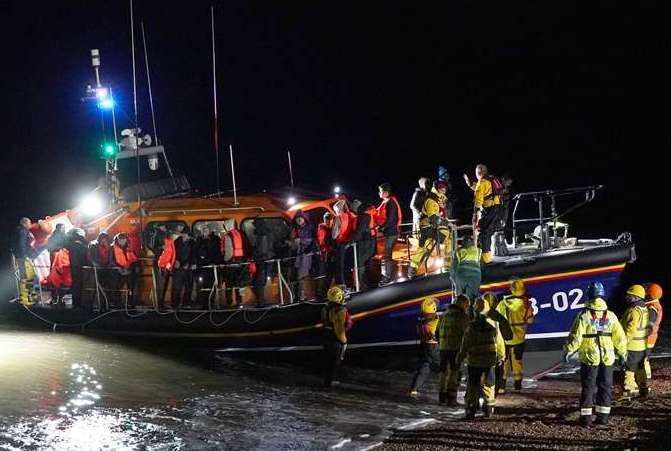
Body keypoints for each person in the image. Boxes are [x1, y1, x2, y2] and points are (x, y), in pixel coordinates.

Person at [563, 281, 627, 427]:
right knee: (606, 387)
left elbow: (576, 336)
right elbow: (620, 337)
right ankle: (603, 417)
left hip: (589, 358)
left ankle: (585, 419)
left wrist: (569, 350)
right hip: (607, 358)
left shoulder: (583, 316)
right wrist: (623, 353)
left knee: (588, 387)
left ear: (589, 295)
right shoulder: (611, 316)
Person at [458, 295, 506, 419]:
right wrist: (501, 356)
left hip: (474, 361)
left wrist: (460, 356)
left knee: (472, 385)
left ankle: (470, 410)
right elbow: (499, 342)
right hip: (489, 361)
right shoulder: (494, 324)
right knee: (489, 385)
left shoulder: (471, 326)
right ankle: (489, 409)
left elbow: (465, 343)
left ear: (475, 310)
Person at [495, 279, 534, 392]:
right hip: (519, 337)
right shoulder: (526, 303)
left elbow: (497, 317)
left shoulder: (503, 303)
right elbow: (530, 320)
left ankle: (502, 386)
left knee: (504, 361)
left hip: (505, 337)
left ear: (511, 290)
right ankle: (517, 385)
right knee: (517, 361)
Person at [408, 180, 450, 278]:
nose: (444, 190)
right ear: (437, 189)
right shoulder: (431, 200)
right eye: (442, 188)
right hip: (427, 227)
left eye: (445, 188)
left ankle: (447, 265)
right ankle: (412, 269)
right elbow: (434, 218)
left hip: (431, 227)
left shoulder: (440, 198)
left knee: (426, 247)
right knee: (426, 246)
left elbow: (442, 213)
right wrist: (446, 223)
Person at [464, 164, 501, 264]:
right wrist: (471, 185)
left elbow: (478, 199)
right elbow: (485, 191)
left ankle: (486, 259)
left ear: (478, 173)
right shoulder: (490, 179)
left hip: (489, 210)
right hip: (496, 209)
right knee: (487, 232)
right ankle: (486, 256)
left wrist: (475, 214)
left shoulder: (482, 182)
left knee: (484, 233)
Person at [437, 294, 470, 406]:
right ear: (462, 304)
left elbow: (437, 332)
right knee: (455, 372)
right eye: (466, 304)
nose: (467, 307)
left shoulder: (444, 315)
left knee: (443, 372)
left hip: (443, 348)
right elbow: (467, 333)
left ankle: (442, 396)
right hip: (456, 348)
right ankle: (451, 398)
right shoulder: (462, 316)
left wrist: (441, 342)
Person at [620, 284, 650, 399]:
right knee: (640, 368)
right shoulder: (644, 309)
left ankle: (629, 390)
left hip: (632, 346)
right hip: (641, 346)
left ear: (636, 297)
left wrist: (623, 343)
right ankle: (643, 388)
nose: (627, 297)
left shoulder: (633, 311)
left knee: (628, 369)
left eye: (630, 295)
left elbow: (630, 330)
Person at [321, 286, 352, 387]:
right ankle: (331, 381)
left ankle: (327, 380)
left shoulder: (324, 309)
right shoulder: (342, 311)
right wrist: (344, 341)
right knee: (336, 361)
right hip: (336, 339)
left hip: (326, 337)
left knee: (327, 360)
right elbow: (342, 327)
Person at [409, 298, 440, 398]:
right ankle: (448, 391)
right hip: (433, 346)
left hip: (424, 346)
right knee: (445, 365)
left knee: (424, 368)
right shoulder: (435, 319)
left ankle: (413, 390)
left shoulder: (421, 319)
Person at [376, 183, 402, 286]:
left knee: (387, 255)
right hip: (390, 231)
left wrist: (381, 227)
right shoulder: (388, 201)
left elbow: (391, 218)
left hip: (391, 232)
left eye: (380, 191)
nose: (379, 193)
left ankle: (388, 277)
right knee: (388, 255)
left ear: (385, 192)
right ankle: (390, 275)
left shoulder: (390, 202)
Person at [288, 211, 316, 302]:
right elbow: (293, 242)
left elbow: (312, 240)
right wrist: (290, 243)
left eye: (300, 218)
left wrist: (301, 241)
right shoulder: (294, 229)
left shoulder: (309, 228)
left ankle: (301, 296)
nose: (299, 220)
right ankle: (295, 297)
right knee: (293, 276)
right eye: (297, 218)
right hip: (294, 256)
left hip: (304, 256)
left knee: (301, 276)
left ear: (304, 219)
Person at [350, 203, 377, 290]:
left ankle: (361, 285)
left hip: (365, 243)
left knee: (360, 263)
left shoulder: (364, 217)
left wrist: (351, 241)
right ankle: (368, 283)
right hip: (369, 241)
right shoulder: (367, 216)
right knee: (365, 263)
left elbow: (360, 231)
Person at [13, 217, 39, 305]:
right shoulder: (22, 231)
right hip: (23, 258)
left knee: (30, 276)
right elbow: (22, 245)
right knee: (25, 277)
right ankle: (24, 299)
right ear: (24, 224)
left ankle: (31, 295)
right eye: (29, 223)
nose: (30, 224)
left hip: (25, 257)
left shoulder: (24, 231)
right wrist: (25, 256)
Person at [332, 199, 357, 287]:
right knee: (348, 266)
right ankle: (351, 284)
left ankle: (341, 285)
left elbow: (334, 235)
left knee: (340, 266)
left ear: (338, 209)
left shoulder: (338, 217)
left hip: (341, 243)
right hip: (350, 243)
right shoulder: (351, 215)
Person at [252, 218, 275, 305]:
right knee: (261, 281)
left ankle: (261, 302)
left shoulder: (262, 234)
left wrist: (254, 256)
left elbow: (262, 249)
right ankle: (261, 300)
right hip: (267, 259)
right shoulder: (267, 232)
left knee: (259, 281)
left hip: (262, 260)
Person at [112, 232, 139, 308]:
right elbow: (111, 260)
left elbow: (134, 259)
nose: (122, 241)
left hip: (129, 271)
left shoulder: (129, 248)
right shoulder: (112, 248)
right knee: (117, 288)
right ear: (117, 240)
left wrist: (135, 267)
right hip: (118, 272)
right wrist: (119, 267)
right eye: (121, 239)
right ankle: (117, 304)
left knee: (131, 288)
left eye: (124, 239)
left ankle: (130, 304)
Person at [453, 232, 481, 302]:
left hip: (462, 274)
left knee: (460, 298)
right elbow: (480, 263)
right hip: (475, 275)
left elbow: (454, 266)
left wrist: (453, 279)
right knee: (473, 298)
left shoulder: (458, 251)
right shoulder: (478, 250)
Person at [66, 228, 89, 311]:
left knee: (76, 286)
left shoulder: (71, 246)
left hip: (74, 268)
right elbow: (85, 258)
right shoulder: (81, 246)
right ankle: (78, 304)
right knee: (78, 286)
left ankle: (76, 304)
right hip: (79, 268)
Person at [644, 283, 663, 381]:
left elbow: (649, 325)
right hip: (651, 337)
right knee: (645, 358)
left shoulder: (651, 308)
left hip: (648, 338)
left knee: (643, 358)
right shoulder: (656, 305)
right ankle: (646, 375)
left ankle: (645, 377)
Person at [172, 229, 195, 309]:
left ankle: (186, 303)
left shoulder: (192, 243)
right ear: (182, 234)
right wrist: (175, 261)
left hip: (187, 267)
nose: (187, 236)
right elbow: (172, 254)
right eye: (186, 234)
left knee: (188, 286)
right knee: (177, 287)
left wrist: (191, 263)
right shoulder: (176, 242)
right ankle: (175, 304)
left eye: (188, 235)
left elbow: (193, 254)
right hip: (178, 267)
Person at [157, 230, 178, 309]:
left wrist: (169, 266)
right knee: (162, 286)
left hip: (168, 267)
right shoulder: (165, 243)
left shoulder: (171, 242)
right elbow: (162, 256)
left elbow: (172, 255)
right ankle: (160, 304)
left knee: (165, 285)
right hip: (163, 267)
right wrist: (163, 266)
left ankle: (162, 303)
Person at [317, 212, 336, 298]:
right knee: (326, 274)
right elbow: (321, 242)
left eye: (329, 220)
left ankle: (329, 291)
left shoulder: (332, 228)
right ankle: (323, 293)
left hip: (333, 253)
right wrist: (327, 249)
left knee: (332, 273)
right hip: (326, 255)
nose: (327, 221)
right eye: (326, 219)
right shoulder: (322, 228)